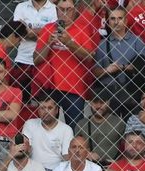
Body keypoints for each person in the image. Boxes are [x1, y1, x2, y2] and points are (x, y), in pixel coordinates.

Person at [33, 0, 98, 128]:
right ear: (56, 10)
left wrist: (69, 43)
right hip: (50, 86)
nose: (65, 13)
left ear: (75, 10)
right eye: (61, 9)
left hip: (73, 87)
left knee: (74, 126)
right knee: (47, 126)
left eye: (68, 9)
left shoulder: (82, 28)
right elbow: (36, 60)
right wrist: (48, 44)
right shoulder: (48, 28)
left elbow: (89, 56)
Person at [93, 6, 145, 116]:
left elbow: (144, 67)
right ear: (108, 22)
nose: (116, 22)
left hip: (132, 92)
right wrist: (107, 70)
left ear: (126, 21)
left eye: (120, 18)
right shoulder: (102, 44)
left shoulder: (137, 41)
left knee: (132, 128)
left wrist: (122, 67)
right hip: (109, 94)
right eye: (112, 19)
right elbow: (95, 72)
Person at [12, 0, 57, 103]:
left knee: (44, 102)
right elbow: (17, 32)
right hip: (23, 60)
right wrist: (44, 32)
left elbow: (54, 33)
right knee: (20, 102)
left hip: (45, 61)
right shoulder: (21, 7)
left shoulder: (54, 9)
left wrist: (30, 31)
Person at [20, 94, 73, 171]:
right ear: (38, 110)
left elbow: (66, 155)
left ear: (57, 110)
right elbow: (25, 149)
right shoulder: (30, 124)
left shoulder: (66, 129)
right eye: (42, 108)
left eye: (50, 108)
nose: (46, 111)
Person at [74, 91, 123, 165]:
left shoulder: (118, 123)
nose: (99, 106)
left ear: (108, 102)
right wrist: (87, 154)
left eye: (102, 102)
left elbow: (126, 147)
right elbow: (75, 147)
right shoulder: (81, 124)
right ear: (90, 103)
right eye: (95, 102)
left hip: (112, 166)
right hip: (88, 165)